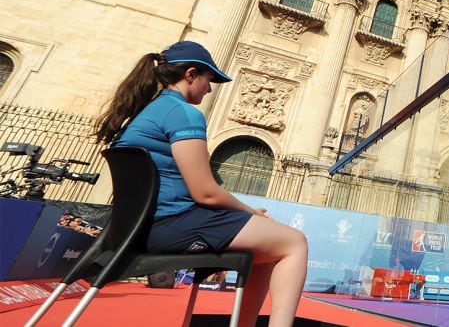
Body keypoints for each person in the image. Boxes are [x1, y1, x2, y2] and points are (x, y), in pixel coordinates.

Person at [96, 41, 308, 327]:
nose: (209, 89)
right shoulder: (183, 114)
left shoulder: (147, 111)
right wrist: (250, 211)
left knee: (268, 250)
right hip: (170, 225)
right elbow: (206, 192)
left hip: (142, 227)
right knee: (295, 242)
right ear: (191, 74)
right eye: (209, 80)